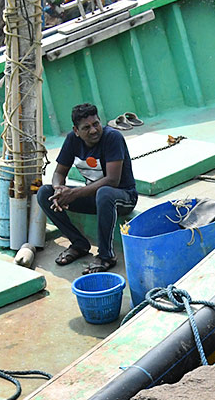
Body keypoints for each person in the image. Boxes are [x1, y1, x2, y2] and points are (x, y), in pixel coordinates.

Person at [36, 102, 138, 274]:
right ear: (76, 131)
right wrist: (58, 189)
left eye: (96, 124)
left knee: (104, 193)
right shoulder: (72, 140)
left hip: (123, 197)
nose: (93, 130)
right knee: (45, 193)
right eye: (86, 127)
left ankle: (106, 256)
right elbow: (58, 173)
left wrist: (74, 193)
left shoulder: (113, 137)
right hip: (95, 196)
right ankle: (79, 244)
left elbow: (113, 180)